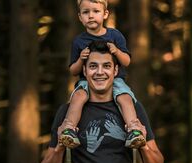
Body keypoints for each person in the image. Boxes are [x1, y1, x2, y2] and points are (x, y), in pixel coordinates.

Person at [57, 0, 147, 151]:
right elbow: (73, 70)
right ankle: (69, 129)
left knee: (124, 97)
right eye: (86, 12)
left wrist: (116, 51)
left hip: (115, 79)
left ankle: (134, 130)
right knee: (78, 96)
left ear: (105, 14)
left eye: (96, 11)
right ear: (79, 17)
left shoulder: (115, 35)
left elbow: (126, 61)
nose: (91, 16)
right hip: (87, 81)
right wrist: (81, 59)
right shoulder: (79, 41)